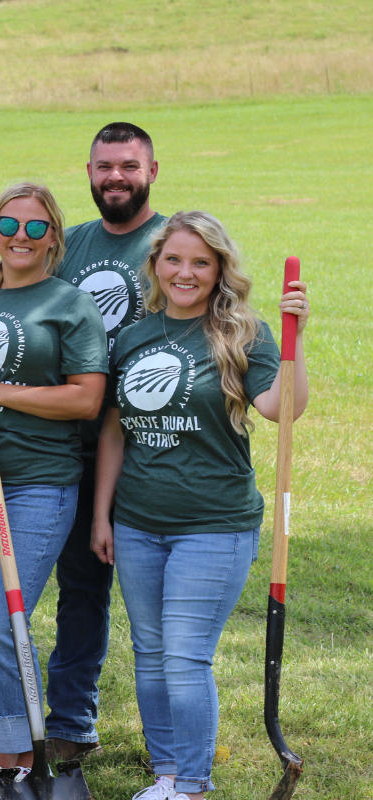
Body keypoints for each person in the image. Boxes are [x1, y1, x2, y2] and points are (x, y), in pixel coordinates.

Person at [91, 211, 309, 800]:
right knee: (150, 652)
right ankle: (166, 773)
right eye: (174, 260)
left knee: (185, 658)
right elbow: (115, 430)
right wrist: (101, 515)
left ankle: (190, 784)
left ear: (219, 271)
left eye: (200, 262)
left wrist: (297, 339)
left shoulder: (243, 334)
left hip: (213, 524)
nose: (185, 272)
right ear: (157, 265)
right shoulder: (134, 335)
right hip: (137, 522)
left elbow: (280, 409)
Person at [0, 183, 108, 799]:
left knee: (5, 624)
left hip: (37, 486)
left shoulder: (70, 305)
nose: (21, 238)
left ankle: (27, 761)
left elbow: (86, 399)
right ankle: (8, 766)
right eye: (10, 225)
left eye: (36, 228)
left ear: (54, 237)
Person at [47, 121, 167, 762]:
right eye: (103, 167)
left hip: (156, 449)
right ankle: (69, 726)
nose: (114, 177)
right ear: (88, 173)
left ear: (152, 171)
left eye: (127, 165)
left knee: (160, 605)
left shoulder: (174, 243)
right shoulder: (72, 247)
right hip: (79, 448)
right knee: (82, 592)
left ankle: (170, 740)